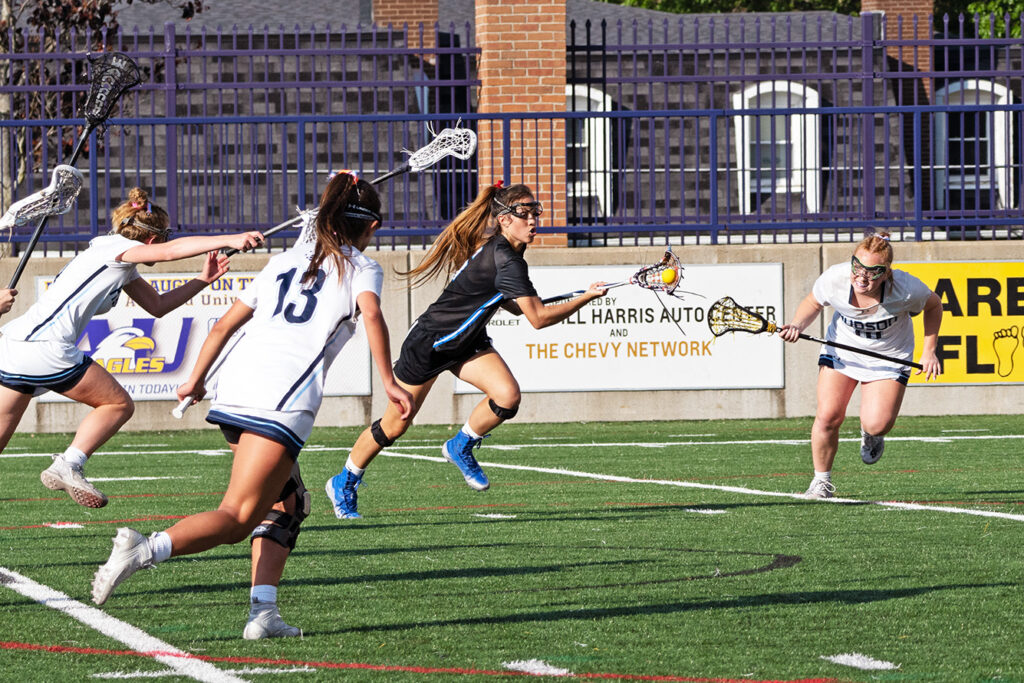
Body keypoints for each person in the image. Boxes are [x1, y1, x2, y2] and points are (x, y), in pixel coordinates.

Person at [90, 172, 414, 640]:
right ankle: (144, 549)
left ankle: (263, 616)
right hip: (280, 399)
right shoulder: (362, 267)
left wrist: (195, 380)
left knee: (289, 503)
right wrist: (388, 380)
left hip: (238, 388)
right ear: (372, 226)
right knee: (239, 516)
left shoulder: (282, 261)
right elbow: (372, 314)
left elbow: (222, 326)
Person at [324, 181, 608, 520]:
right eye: (525, 214)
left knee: (507, 396)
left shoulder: (509, 254)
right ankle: (344, 480)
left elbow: (519, 307)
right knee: (395, 424)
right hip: (431, 343)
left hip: (467, 341)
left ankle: (461, 445)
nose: (533, 220)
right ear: (504, 219)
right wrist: (585, 298)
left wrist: (553, 299)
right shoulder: (507, 259)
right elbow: (538, 319)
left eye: (536, 213)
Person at [0, 188, 264, 508]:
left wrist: (202, 280)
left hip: (13, 344)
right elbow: (171, 252)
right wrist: (232, 238)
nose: (165, 245)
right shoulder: (119, 249)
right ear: (151, 241)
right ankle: (68, 463)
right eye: (164, 238)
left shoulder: (114, 257)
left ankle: (67, 464)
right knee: (117, 405)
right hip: (45, 348)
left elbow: (157, 305)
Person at [778, 231, 943, 499]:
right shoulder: (835, 278)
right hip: (843, 351)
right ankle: (821, 482)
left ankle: (871, 434)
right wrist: (797, 325)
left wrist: (929, 352)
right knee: (828, 415)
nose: (862, 276)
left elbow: (934, 305)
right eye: (858, 266)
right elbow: (813, 302)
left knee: (877, 423)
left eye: (873, 271)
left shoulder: (906, 288)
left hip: (889, 355)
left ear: (886, 272)